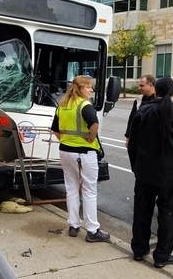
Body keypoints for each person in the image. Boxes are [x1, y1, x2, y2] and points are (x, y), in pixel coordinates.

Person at [129, 77, 173, 268]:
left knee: (142, 211)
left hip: (146, 173)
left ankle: (139, 250)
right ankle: (162, 255)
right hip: (171, 174)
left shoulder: (144, 112)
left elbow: (133, 144)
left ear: (155, 89)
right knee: (168, 214)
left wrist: (136, 167)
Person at [51, 75, 110, 243]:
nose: (91, 90)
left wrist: (65, 140)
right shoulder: (85, 105)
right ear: (80, 89)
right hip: (84, 153)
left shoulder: (62, 106)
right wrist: (91, 137)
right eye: (88, 87)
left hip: (65, 152)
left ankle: (74, 225)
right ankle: (92, 230)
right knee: (89, 191)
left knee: (71, 188)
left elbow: (55, 129)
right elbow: (94, 123)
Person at [124, 75, 156, 163]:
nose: (139, 88)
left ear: (151, 85)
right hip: (138, 142)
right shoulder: (139, 100)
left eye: (142, 85)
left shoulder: (159, 100)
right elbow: (132, 119)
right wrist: (128, 137)